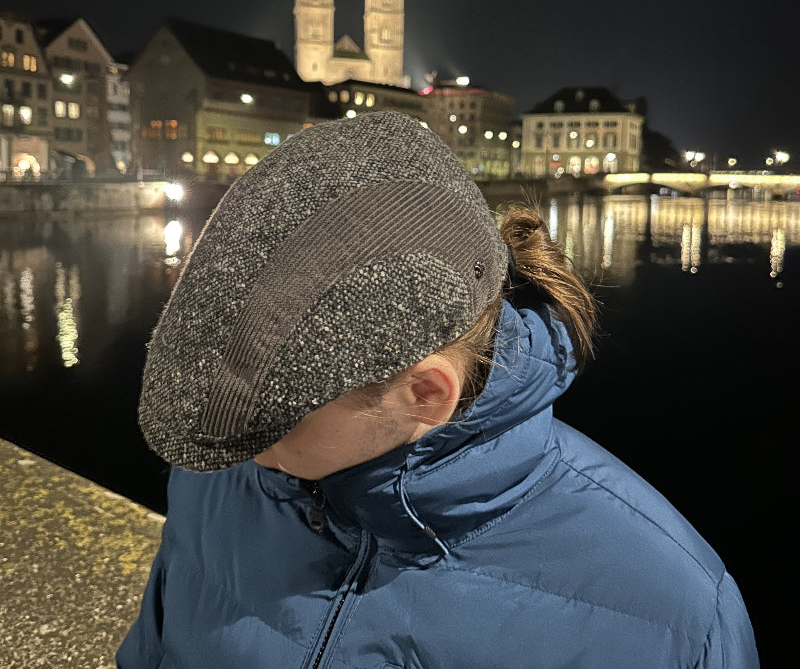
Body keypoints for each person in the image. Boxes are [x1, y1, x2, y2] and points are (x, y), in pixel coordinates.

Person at [117, 111, 758, 668]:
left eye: (274, 417)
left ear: (426, 394)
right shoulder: (216, 468)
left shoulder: (677, 613)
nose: (233, 446)